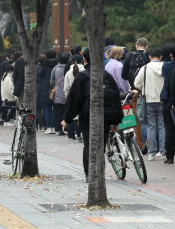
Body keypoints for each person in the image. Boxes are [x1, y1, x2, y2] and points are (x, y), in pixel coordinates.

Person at [62, 48, 124, 178]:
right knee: (100, 147)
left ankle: (90, 175)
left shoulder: (81, 77)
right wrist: (117, 121)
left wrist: (67, 119)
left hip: (87, 118)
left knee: (89, 146)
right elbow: (116, 98)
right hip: (105, 118)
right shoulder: (106, 76)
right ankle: (99, 175)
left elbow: (74, 100)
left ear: (84, 60)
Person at [133, 47, 165, 161]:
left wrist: (143, 87)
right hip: (162, 101)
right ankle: (163, 151)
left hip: (149, 100)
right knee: (162, 126)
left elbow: (137, 83)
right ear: (161, 57)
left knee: (151, 126)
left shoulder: (145, 68)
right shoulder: (164, 67)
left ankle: (151, 152)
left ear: (150, 57)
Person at [122, 38, 150, 151]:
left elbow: (124, 75)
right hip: (148, 92)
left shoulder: (129, 56)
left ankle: (139, 143)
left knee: (136, 118)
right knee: (150, 119)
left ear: (136, 46)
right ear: (146, 46)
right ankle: (151, 143)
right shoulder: (149, 55)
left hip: (134, 92)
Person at [64, 54, 85, 141]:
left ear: (72, 62)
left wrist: (68, 97)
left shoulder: (68, 73)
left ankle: (75, 134)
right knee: (81, 115)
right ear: (81, 61)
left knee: (74, 115)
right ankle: (82, 134)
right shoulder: (84, 72)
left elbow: (66, 88)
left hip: (72, 96)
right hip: (83, 96)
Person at [39, 49, 58, 134]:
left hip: (45, 87)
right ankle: (55, 126)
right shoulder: (57, 64)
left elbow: (41, 75)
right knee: (55, 108)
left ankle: (49, 127)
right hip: (55, 87)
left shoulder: (44, 65)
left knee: (47, 108)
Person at [51, 53, 70, 136]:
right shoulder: (69, 69)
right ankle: (67, 128)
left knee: (59, 112)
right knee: (68, 111)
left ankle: (58, 129)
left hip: (58, 93)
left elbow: (52, 81)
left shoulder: (56, 69)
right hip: (67, 93)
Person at [0, 53, 12, 125]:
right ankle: (4, 119)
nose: (10, 61)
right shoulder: (5, 63)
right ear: (7, 58)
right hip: (3, 85)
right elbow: (7, 72)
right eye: (10, 59)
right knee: (5, 102)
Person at [36, 55, 47, 131]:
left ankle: (40, 125)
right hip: (44, 88)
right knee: (45, 108)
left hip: (37, 88)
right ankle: (45, 124)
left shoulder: (37, 69)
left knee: (38, 108)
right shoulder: (46, 69)